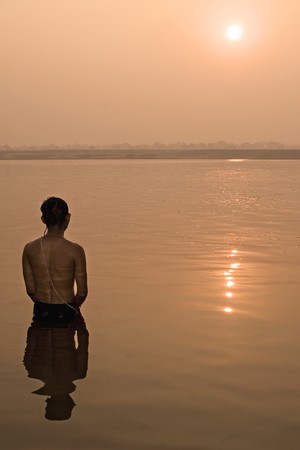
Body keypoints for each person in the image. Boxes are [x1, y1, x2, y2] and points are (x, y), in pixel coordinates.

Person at [22, 197, 88, 324]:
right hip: (66, 309)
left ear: (43, 219)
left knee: (39, 343)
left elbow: (30, 290)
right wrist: (74, 308)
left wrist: (44, 304)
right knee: (65, 343)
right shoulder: (75, 250)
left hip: (41, 309)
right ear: (68, 217)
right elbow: (82, 293)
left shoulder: (29, 248)